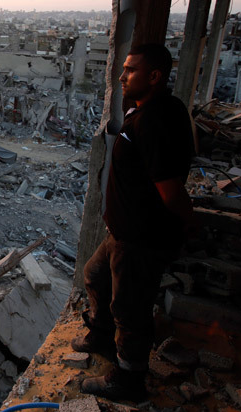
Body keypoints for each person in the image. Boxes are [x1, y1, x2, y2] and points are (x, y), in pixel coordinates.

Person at [72, 43, 197, 402]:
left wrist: (188, 222)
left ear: (154, 76)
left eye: (130, 70)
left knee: (130, 309)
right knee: (95, 277)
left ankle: (127, 381)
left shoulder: (156, 120)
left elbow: (171, 192)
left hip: (141, 238)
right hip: (122, 232)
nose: (122, 76)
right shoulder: (148, 109)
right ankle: (100, 336)